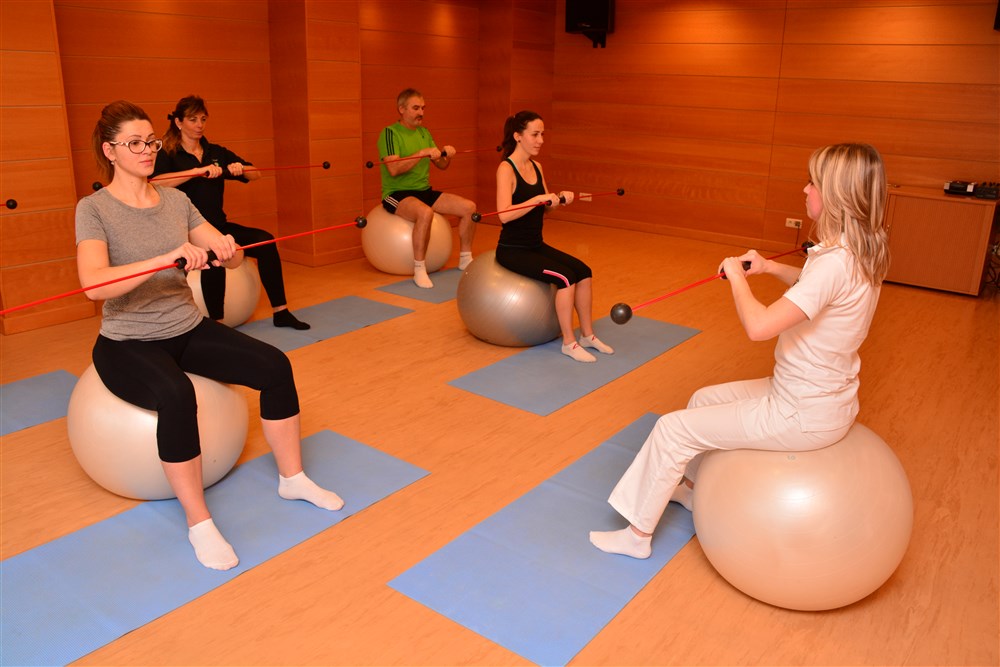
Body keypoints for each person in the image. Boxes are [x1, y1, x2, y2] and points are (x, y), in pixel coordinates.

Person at [77, 100, 344, 571]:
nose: (147, 150)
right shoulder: (94, 209)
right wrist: (164, 259)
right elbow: (94, 285)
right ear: (110, 151)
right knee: (177, 396)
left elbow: (230, 258)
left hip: (186, 326)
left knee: (275, 366)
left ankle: (293, 478)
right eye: (134, 143)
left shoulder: (176, 202)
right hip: (127, 341)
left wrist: (228, 249)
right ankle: (199, 522)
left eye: (150, 141)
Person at [590, 143, 890, 559]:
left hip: (801, 411)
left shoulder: (833, 263)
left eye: (813, 182)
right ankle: (690, 490)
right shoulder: (856, 252)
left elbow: (759, 327)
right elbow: (816, 286)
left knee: (672, 428)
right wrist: (768, 267)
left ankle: (636, 536)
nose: (804, 189)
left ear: (837, 194)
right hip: (817, 397)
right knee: (702, 399)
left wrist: (736, 276)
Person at [152, 95, 309, 330]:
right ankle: (218, 325)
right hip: (187, 233)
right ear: (178, 122)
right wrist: (197, 171)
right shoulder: (168, 153)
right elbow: (156, 183)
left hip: (219, 226)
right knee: (215, 254)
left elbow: (256, 173)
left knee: (266, 241)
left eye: (203, 119)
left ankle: (281, 312)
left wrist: (240, 168)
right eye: (193, 119)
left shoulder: (215, 152)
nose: (199, 125)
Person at [494, 110, 615, 363]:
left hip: (535, 245)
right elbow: (504, 215)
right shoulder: (506, 169)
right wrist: (538, 198)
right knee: (565, 278)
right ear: (518, 136)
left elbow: (544, 209)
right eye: (535, 134)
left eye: (542, 135)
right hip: (512, 250)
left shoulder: (537, 167)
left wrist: (559, 200)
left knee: (583, 271)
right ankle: (569, 343)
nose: (540, 140)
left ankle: (587, 335)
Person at [377, 88, 477, 288]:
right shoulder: (390, 133)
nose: (421, 113)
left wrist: (446, 154)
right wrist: (421, 153)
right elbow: (394, 169)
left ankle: (466, 258)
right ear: (401, 109)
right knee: (425, 213)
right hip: (396, 193)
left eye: (423, 108)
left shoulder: (424, 132)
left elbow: (441, 165)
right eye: (416, 108)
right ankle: (419, 269)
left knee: (469, 208)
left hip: (424, 191)